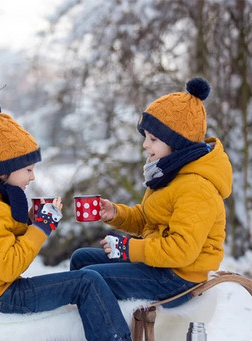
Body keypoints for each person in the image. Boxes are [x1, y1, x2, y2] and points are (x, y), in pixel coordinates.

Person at [0, 96, 149, 341]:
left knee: (84, 272)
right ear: (5, 170)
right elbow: (8, 265)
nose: (32, 176)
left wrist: (31, 222)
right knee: (86, 280)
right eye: (28, 169)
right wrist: (40, 228)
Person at [70, 78, 233, 308]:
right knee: (81, 259)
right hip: (160, 266)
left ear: (178, 143)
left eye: (153, 139)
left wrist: (128, 249)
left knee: (88, 278)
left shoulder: (197, 187)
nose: (145, 145)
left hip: (179, 278)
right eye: (145, 137)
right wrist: (114, 214)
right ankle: (89, 327)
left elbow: (181, 251)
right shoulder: (171, 174)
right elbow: (149, 220)